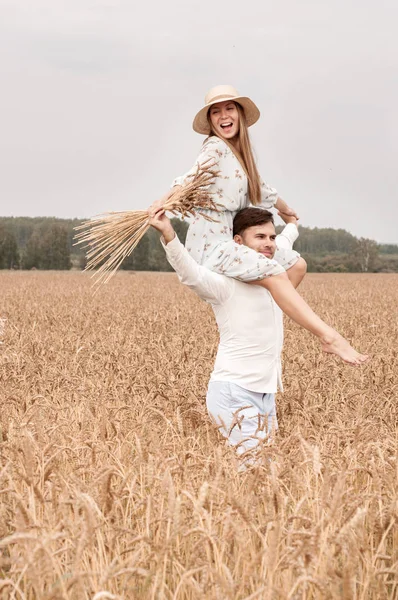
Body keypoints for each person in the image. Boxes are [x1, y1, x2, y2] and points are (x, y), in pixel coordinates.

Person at [149, 85, 368, 363]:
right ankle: (329, 337)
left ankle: (266, 313)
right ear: (211, 121)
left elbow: (263, 190)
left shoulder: (240, 156)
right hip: (213, 245)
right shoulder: (215, 148)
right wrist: (161, 201)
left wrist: (287, 211)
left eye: (229, 109)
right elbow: (189, 179)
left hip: (235, 239)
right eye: (216, 112)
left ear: (239, 114)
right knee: (275, 271)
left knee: (296, 265)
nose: (223, 116)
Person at [148, 207, 368, 466]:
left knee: (264, 475)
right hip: (235, 391)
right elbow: (190, 274)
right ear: (238, 243)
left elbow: (284, 245)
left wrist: (292, 226)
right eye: (260, 237)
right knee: (257, 471)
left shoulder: (276, 285)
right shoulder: (224, 286)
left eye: (271, 237)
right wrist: (169, 234)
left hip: (265, 394)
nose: (269, 244)